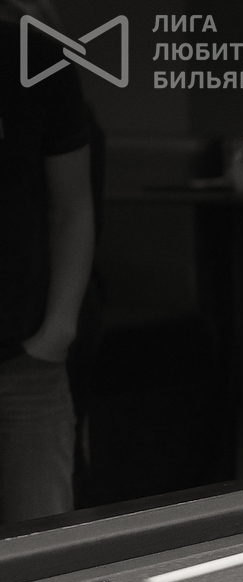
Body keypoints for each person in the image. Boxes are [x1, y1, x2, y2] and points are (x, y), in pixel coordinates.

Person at [0, 8, 95, 523]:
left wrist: (57, 332)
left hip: (25, 360)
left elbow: (72, 208)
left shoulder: (32, 57)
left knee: (45, 549)